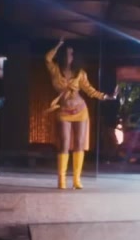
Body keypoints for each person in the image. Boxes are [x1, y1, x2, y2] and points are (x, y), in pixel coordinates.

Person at [44, 37, 113, 189]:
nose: (70, 56)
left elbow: (89, 90)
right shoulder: (55, 70)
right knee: (64, 143)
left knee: (79, 143)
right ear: (62, 55)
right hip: (64, 111)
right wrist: (59, 44)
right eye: (68, 54)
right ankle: (61, 180)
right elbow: (47, 58)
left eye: (72, 54)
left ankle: (76, 180)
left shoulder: (80, 73)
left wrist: (106, 96)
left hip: (80, 110)